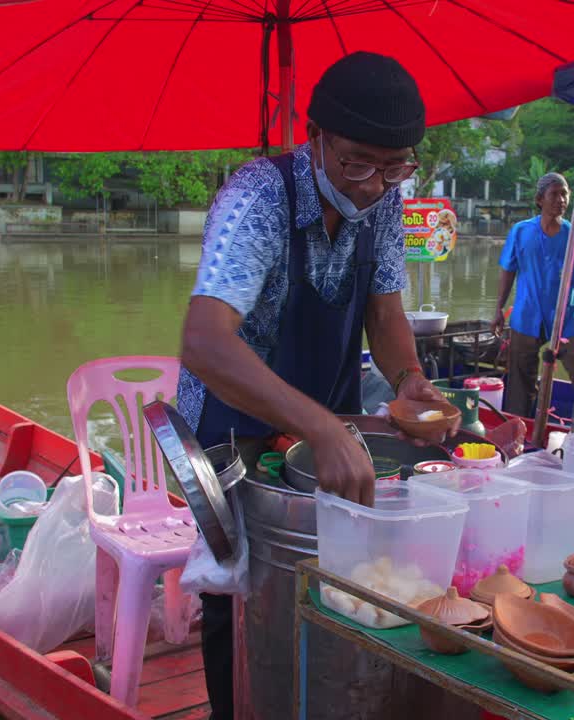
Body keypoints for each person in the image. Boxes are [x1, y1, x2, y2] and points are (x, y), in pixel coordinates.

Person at [175, 52, 455, 720]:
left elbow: (384, 313)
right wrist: (323, 426)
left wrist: (410, 379)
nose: (372, 185)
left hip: (326, 421)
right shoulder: (257, 196)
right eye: (357, 161)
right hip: (229, 427)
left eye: (396, 166)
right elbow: (205, 340)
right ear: (316, 135)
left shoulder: (385, 199)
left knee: (341, 578)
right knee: (241, 594)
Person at [492, 172, 574, 416]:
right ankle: (519, 425)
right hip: (527, 315)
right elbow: (508, 272)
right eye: (555, 194)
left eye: (564, 194)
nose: (561, 199)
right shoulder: (521, 232)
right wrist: (498, 310)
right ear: (540, 199)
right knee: (521, 382)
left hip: (566, 319)